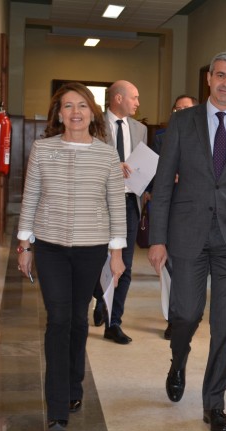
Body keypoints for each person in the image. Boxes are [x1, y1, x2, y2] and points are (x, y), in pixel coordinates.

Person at [148, 51, 226, 431]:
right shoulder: (183, 122)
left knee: (225, 324)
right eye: (220, 75)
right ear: (209, 79)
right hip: (187, 235)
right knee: (185, 314)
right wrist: (157, 239)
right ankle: (178, 358)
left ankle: (214, 404)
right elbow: (163, 182)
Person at [16, 82, 126, 431]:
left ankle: (74, 385)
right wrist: (24, 245)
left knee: (79, 319)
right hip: (49, 246)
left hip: (92, 247)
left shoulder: (107, 154)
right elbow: (30, 197)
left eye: (82, 105)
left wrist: (117, 253)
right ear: (58, 114)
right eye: (67, 106)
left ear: (92, 112)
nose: (75, 112)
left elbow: (116, 206)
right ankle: (58, 404)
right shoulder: (42, 149)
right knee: (58, 318)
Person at [91, 80, 149, 345]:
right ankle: (100, 297)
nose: (138, 103)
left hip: (129, 203)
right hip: (99, 204)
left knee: (123, 266)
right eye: (134, 97)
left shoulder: (140, 129)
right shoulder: (94, 124)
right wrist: (113, 165)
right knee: (95, 262)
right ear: (117, 98)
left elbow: (141, 165)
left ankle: (114, 322)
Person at [151, 94, 199, 341]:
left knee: (190, 270)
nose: (180, 112)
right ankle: (172, 318)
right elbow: (153, 173)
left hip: (197, 213)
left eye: (186, 108)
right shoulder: (160, 138)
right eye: (176, 108)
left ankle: (189, 314)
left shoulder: (207, 136)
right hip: (170, 210)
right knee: (170, 269)